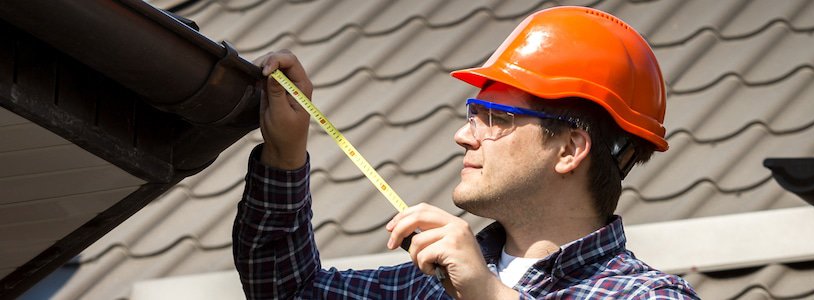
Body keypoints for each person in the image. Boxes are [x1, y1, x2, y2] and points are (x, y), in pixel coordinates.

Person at [234, 6, 699, 299]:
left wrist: (489, 297)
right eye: (472, 112)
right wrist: (285, 151)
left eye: (494, 117)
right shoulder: (430, 285)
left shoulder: (648, 294)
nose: (463, 135)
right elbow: (285, 288)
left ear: (570, 149)